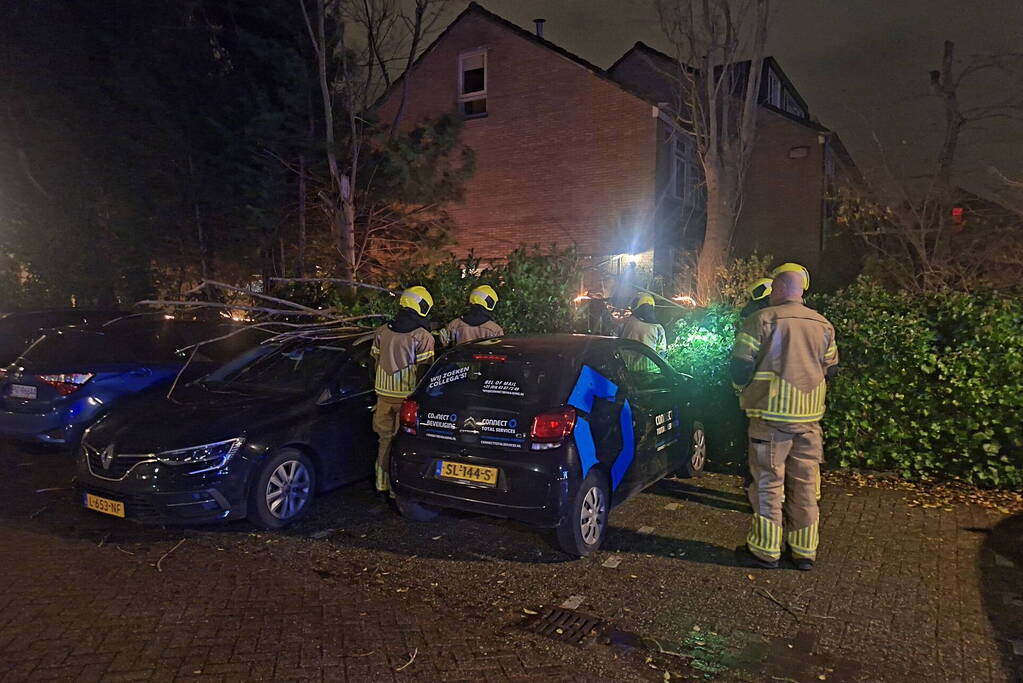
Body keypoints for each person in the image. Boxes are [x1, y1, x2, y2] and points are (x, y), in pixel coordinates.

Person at [730, 266, 838, 571]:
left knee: (767, 484)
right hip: (809, 421)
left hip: (769, 418)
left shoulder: (762, 319)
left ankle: (765, 551)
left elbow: (740, 365)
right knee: (805, 485)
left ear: (778, 288)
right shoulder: (824, 325)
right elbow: (832, 369)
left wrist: (742, 392)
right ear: (801, 290)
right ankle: (804, 551)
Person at [370, 286, 436, 498]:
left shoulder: (382, 331)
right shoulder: (422, 336)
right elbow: (425, 370)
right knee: (402, 445)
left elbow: (373, 362)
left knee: (384, 441)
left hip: (382, 396)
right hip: (407, 399)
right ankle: (397, 491)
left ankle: (381, 485)